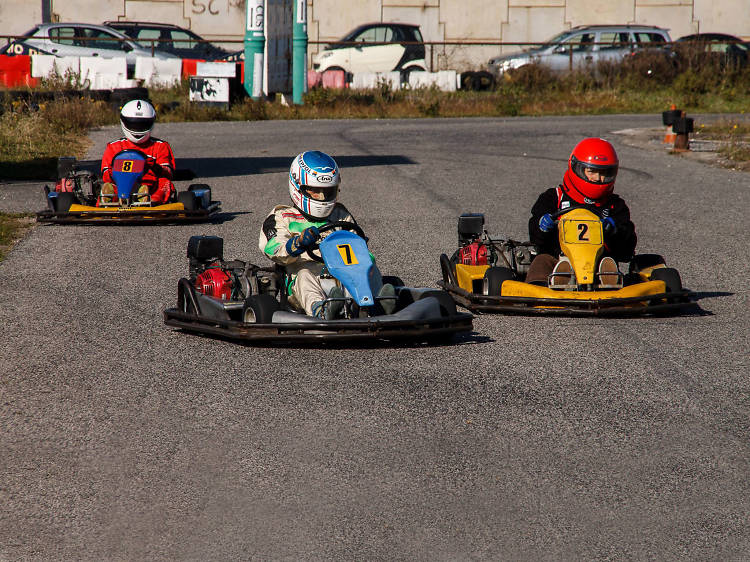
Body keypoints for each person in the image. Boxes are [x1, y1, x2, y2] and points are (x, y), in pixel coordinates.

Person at [259, 150, 393, 319]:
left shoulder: (340, 215)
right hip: (301, 281)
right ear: (299, 187)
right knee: (304, 275)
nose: (322, 197)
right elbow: (272, 247)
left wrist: (363, 255)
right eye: (315, 191)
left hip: (342, 274)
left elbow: (356, 242)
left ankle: (377, 304)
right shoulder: (281, 217)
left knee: (369, 267)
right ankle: (321, 310)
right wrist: (297, 243)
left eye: (328, 192)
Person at [526, 137, 637, 286]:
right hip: (557, 258)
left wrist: (615, 231)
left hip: (597, 261)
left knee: (607, 262)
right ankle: (549, 283)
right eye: (592, 171)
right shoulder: (554, 198)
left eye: (604, 173)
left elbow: (627, 250)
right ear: (576, 167)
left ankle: (608, 281)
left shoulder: (614, 205)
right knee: (542, 260)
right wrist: (542, 225)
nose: (598, 178)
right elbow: (535, 239)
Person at [99, 99, 176, 205]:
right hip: (121, 186)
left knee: (165, 183)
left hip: (150, 187)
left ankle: (151, 202)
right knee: (109, 186)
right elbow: (106, 175)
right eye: (133, 124)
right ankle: (110, 199)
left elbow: (168, 174)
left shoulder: (160, 146)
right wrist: (116, 170)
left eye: (142, 125)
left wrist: (154, 166)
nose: (137, 129)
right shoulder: (114, 146)